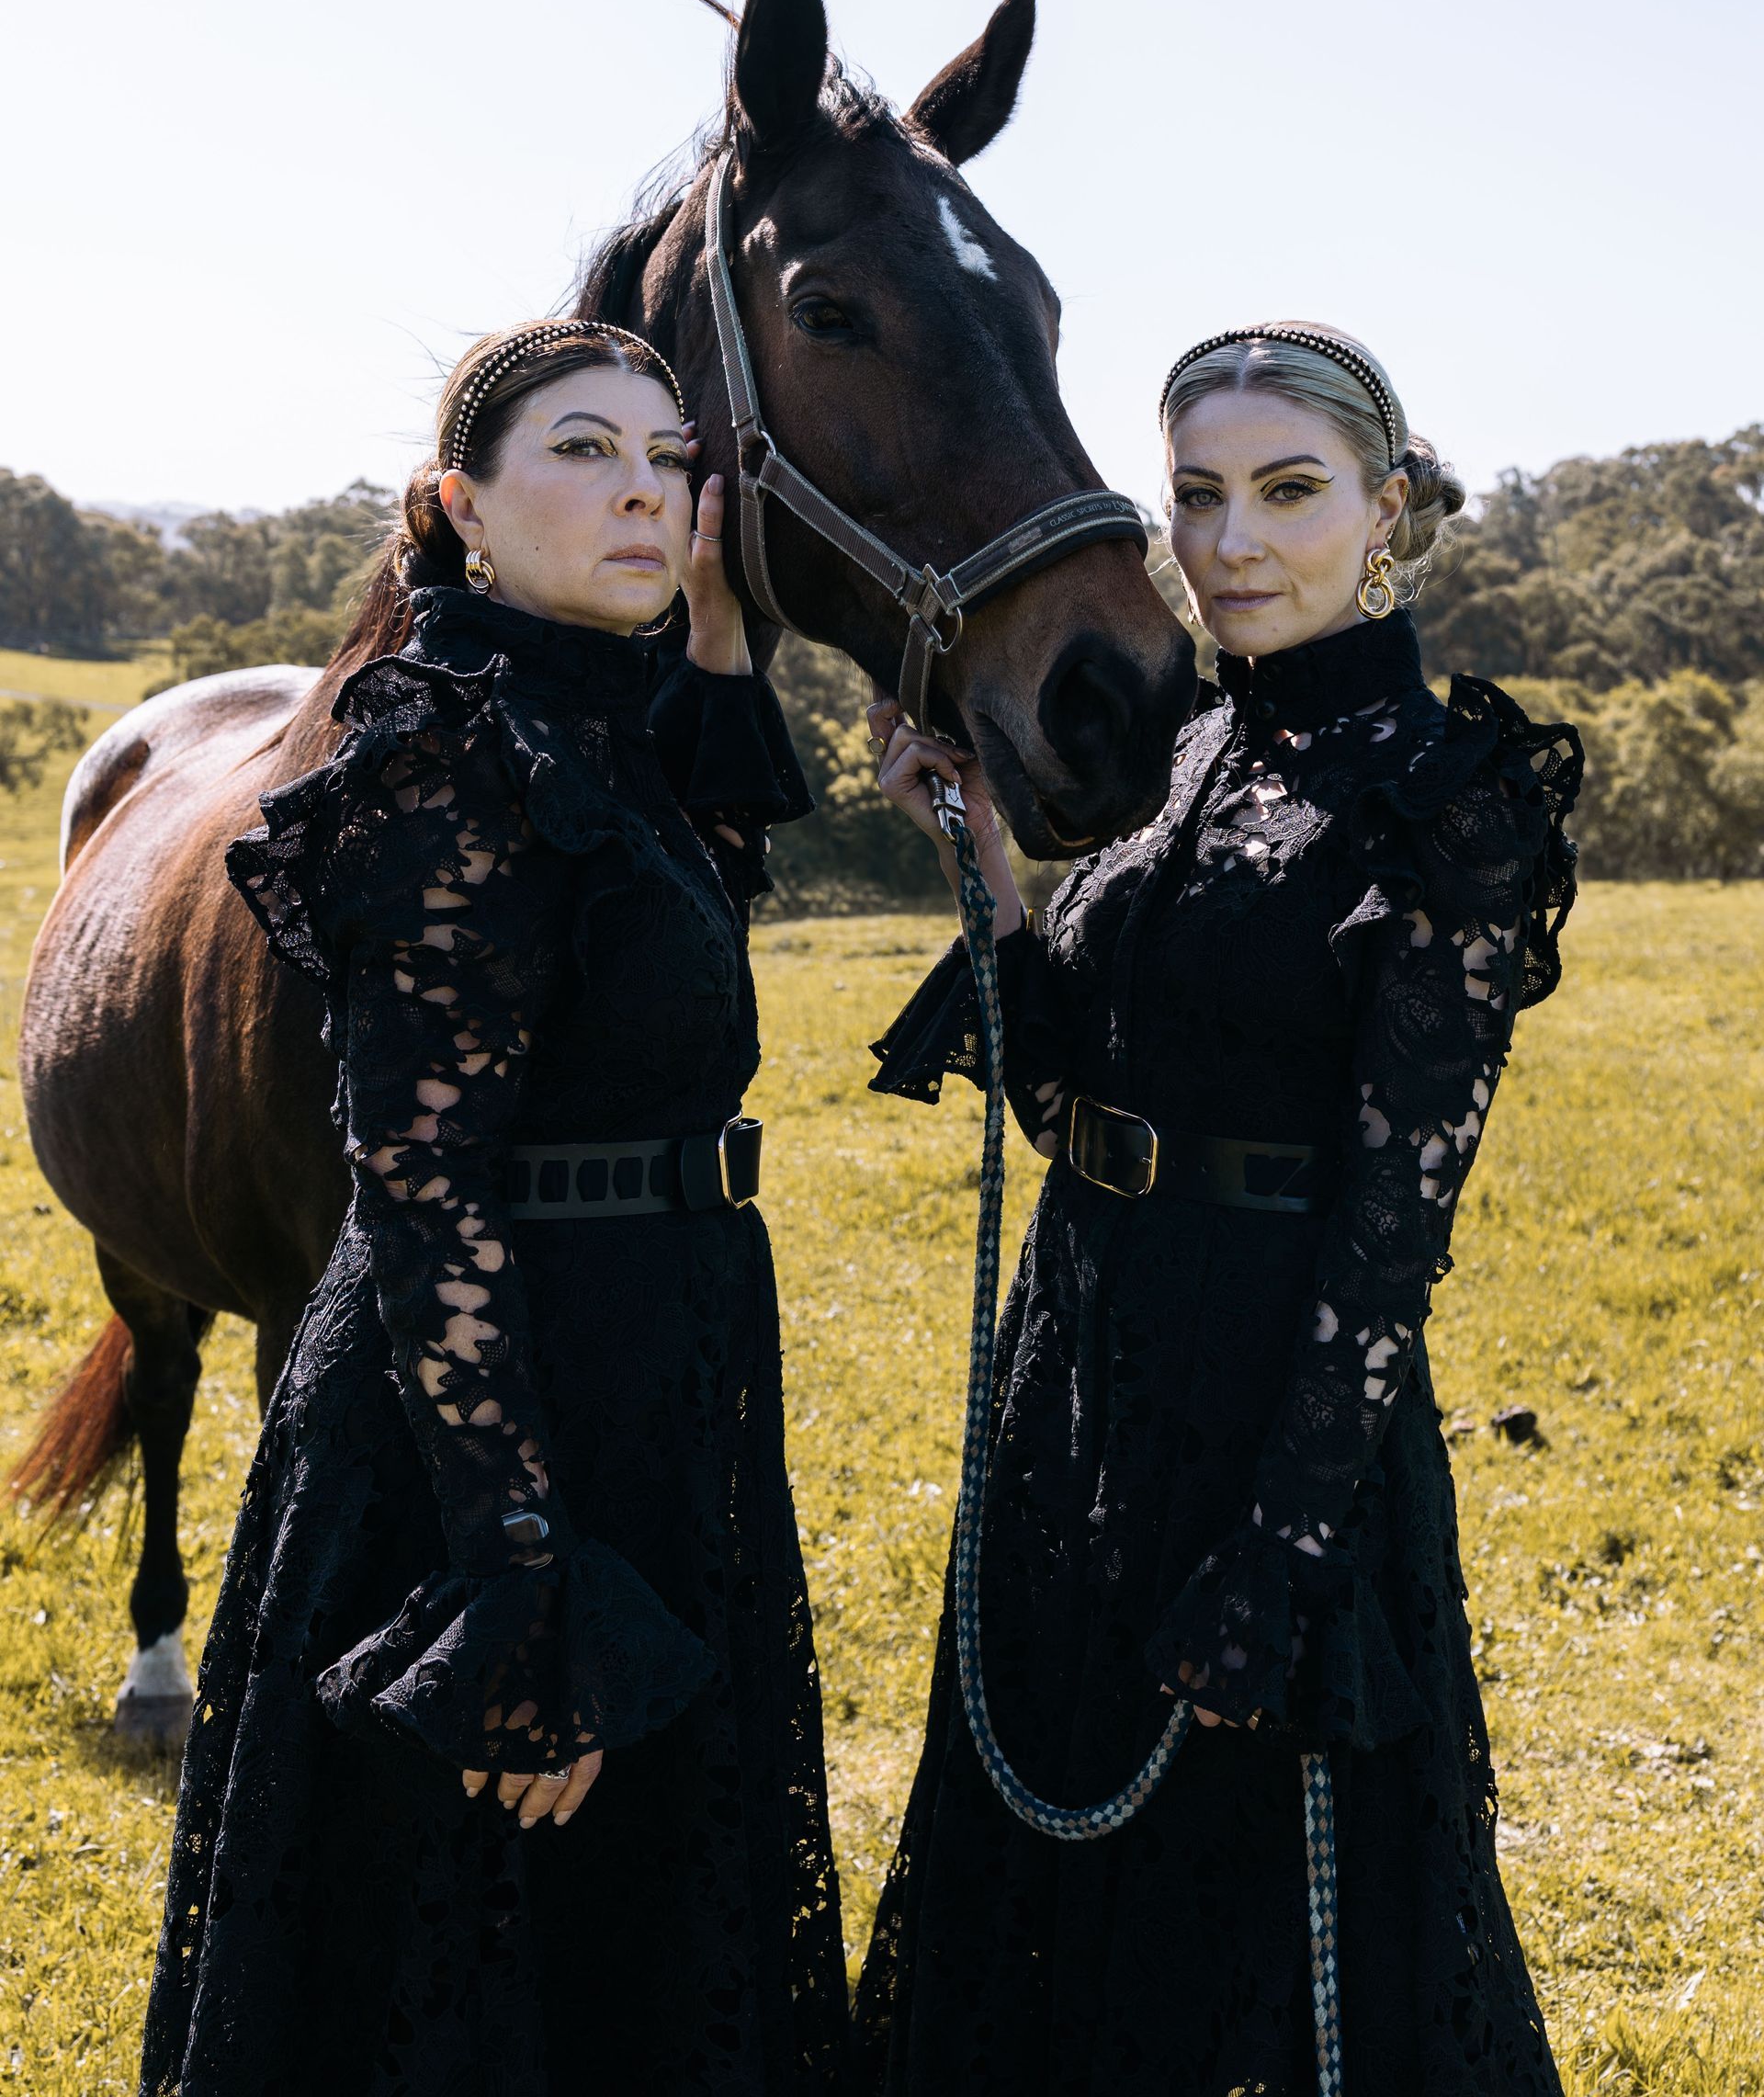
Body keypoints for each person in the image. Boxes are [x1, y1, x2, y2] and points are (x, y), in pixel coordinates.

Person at [855, 323, 1582, 2095]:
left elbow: (1393, 1235)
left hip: (1277, 1421)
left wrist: (1283, 1553)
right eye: (1195, 496)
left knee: (1271, 1935)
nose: (1233, 541)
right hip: (1079, 1382)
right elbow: (1062, 1109)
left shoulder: (1447, 799)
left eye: (1286, 492)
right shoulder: (1171, 758)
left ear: (1385, 509)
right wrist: (1002, 879)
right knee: (1057, 1900)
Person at [141, 321, 850, 2097]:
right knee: (469, 1944)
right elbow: (421, 1185)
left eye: (670, 461)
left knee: (635, 1932)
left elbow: (701, 850)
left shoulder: (608, 736)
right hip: (500, 1421)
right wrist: (518, 1591)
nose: (643, 490)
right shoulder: (450, 759)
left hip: (657, 1379)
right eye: (584, 452)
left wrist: (726, 633)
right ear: (458, 507)